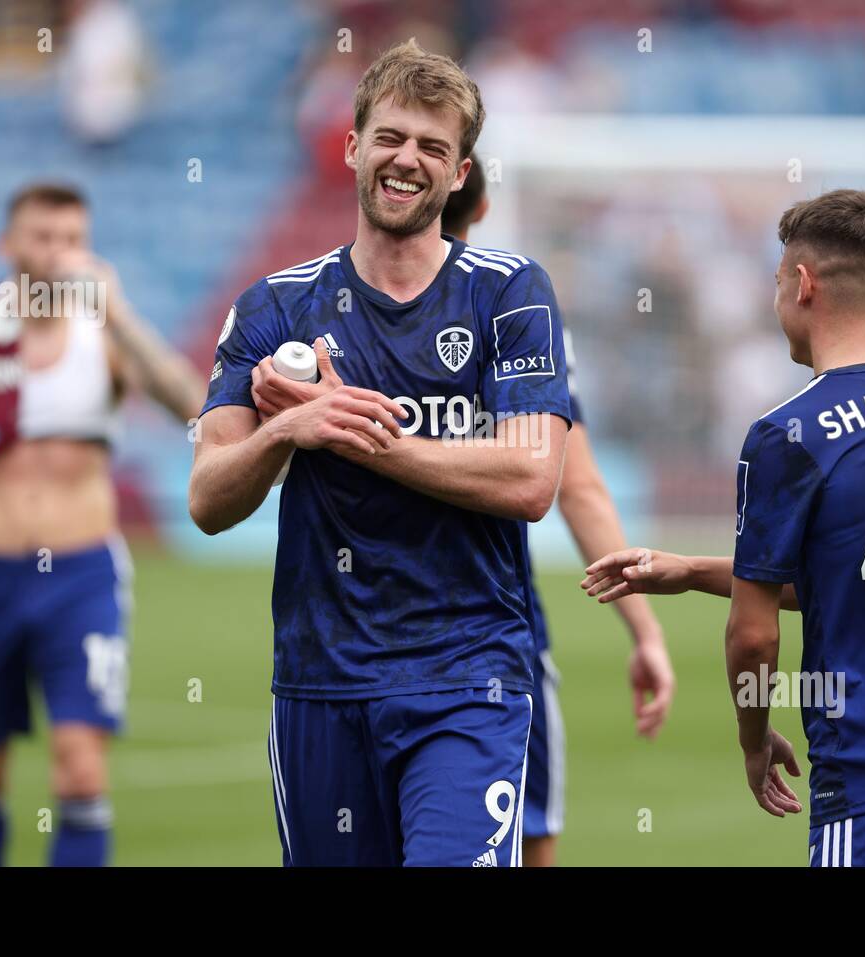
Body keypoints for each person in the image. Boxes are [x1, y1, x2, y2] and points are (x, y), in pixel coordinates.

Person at [189, 41, 572, 866]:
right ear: (354, 146)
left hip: (468, 677)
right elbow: (208, 499)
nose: (409, 160)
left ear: (460, 171)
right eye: (392, 138)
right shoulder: (274, 306)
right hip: (321, 679)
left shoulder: (510, 291)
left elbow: (533, 476)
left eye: (434, 147)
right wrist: (288, 430)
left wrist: (359, 436)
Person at [583, 189, 865, 866]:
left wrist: (753, 739)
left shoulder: (789, 434)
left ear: (802, 283)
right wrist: (698, 571)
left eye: (774, 283)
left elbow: (755, 634)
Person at [0, 182, 205, 866]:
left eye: (72, 238)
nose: (60, 253)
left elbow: (196, 408)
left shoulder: (105, 337)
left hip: (80, 577)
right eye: (44, 237)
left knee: (81, 771)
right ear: (8, 245)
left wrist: (121, 315)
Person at [441, 155, 674, 867]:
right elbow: (576, 484)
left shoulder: (334, 304)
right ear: (480, 207)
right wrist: (645, 628)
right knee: (527, 840)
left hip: (355, 637)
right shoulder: (518, 313)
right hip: (492, 633)